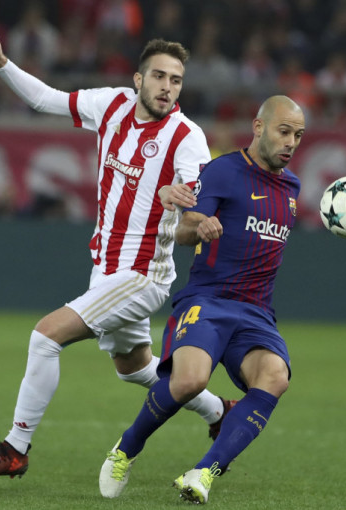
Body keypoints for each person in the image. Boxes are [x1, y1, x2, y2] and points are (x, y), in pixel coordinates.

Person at [0, 33, 233, 480]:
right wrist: (1, 64)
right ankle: (220, 411)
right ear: (138, 79)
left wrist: (182, 201)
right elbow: (46, 99)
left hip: (142, 275)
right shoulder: (112, 105)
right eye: (159, 76)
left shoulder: (187, 137)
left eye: (176, 80)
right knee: (134, 368)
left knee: (45, 338)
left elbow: (197, 207)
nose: (167, 87)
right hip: (105, 269)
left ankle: (15, 448)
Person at [97, 95, 305, 504]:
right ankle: (126, 448)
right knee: (190, 381)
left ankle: (204, 473)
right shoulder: (223, 170)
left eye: (298, 135)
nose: (291, 142)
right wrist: (201, 226)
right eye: (284, 132)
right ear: (259, 127)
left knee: (275, 377)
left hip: (256, 312)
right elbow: (183, 229)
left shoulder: (292, 187)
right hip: (208, 300)